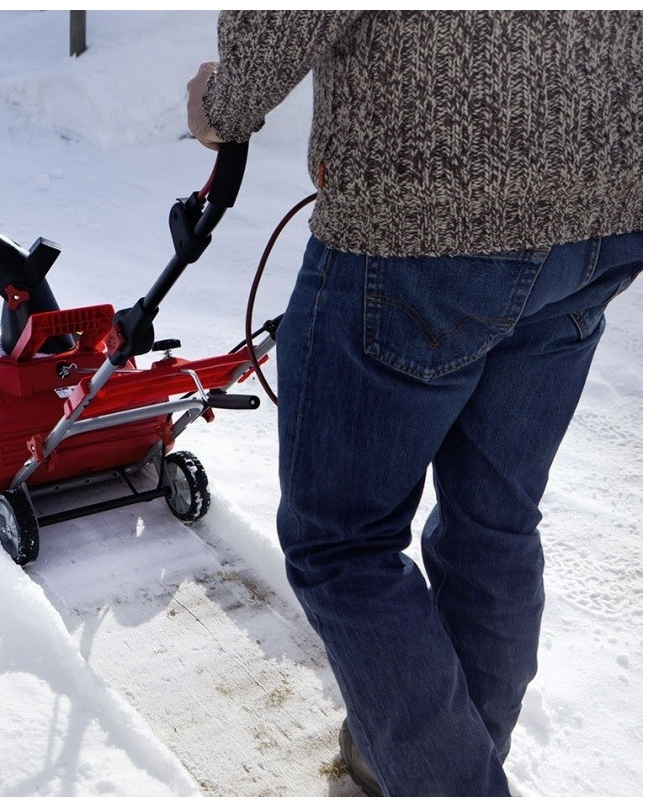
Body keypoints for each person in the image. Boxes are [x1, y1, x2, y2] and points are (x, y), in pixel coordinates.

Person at [186, 10, 642, 797]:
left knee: (342, 544)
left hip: (422, 217)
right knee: (493, 522)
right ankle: (434, 756)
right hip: (599, 215)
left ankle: (450, 782)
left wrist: (222, 102)